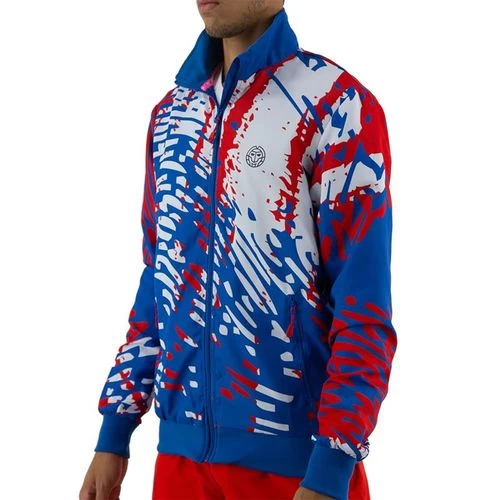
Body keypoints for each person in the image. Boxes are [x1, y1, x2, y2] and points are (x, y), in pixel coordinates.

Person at [79, 1, 397, 499]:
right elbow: (158, 281)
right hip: (180, 464)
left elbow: (364, 309)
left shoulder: (336, 107)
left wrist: (332, 463)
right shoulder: (172, 116)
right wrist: (115, 430)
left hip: (300, 470)